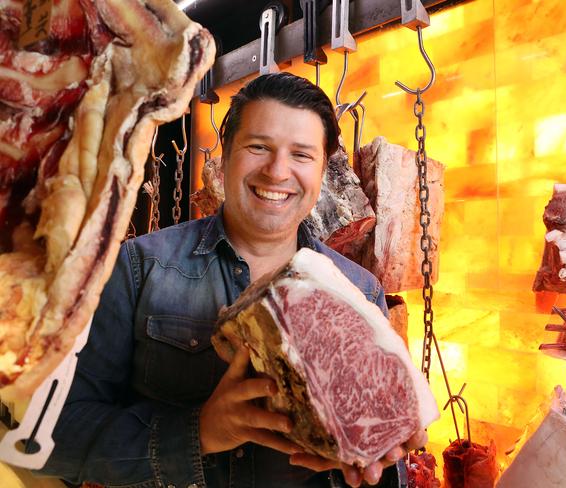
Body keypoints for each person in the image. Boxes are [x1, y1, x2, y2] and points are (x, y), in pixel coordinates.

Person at [37, 73, 427, 488]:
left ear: (322, 170)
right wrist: (198, 432)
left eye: (302, 155)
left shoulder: (360, 287)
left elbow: (377, 462)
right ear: (225, 156)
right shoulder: (138, 267)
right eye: (259, 147)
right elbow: (56, 438)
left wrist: (380, 456)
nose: (278, 171)